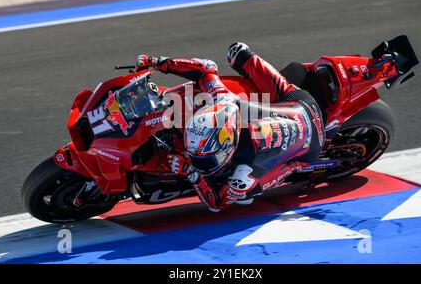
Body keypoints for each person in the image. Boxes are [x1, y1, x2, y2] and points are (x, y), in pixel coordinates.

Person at [135, 43, 325, 212]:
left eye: (208, 159)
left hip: (310, 145)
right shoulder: (223, 100)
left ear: (227, 147)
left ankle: (292, 169)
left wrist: (189, 169)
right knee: (238, 52)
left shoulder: (244, 171)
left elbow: (217, 203)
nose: (202, 165)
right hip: (297, 104)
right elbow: (205, 68)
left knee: (244, 196)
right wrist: (157, 63)